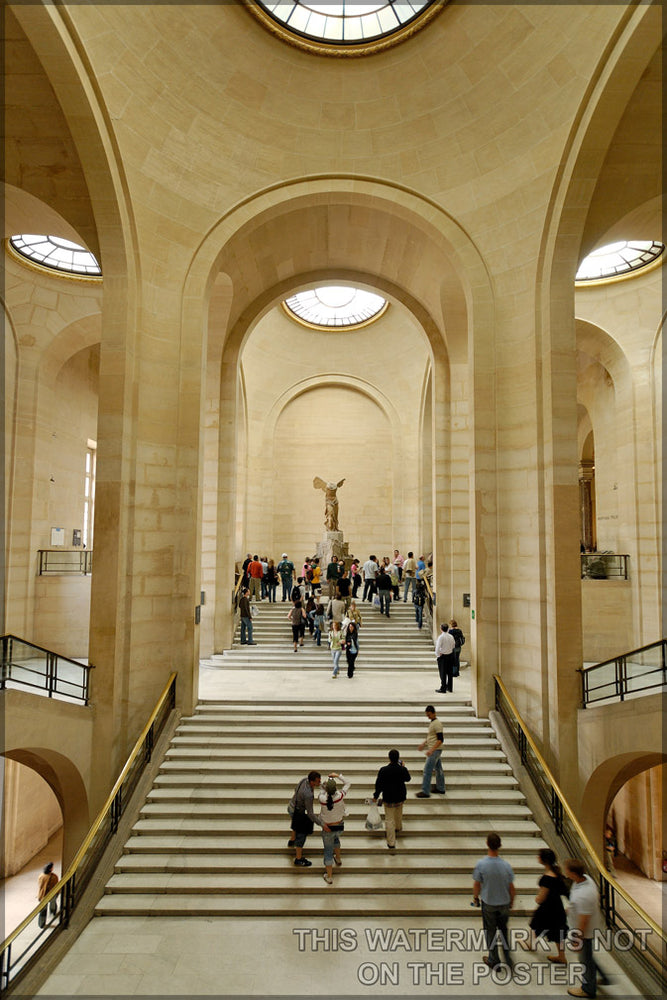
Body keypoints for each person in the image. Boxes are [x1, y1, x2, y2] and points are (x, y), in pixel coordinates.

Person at [564, 858, 608, 998]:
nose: (565, 871)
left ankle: (588, 989)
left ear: (572, 873)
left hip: (585, 932)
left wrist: (577, 939)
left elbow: (584, 920)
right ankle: (601, 978)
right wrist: (571, 910)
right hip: (587, 927)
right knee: (588, 957)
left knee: (585, 959)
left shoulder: (583, 895)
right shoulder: (586, 879)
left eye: (567, 870)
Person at [472, 832, 515, 972]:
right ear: (500, 845)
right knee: (503, 931)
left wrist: (475, 898)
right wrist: (511, 901)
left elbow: (477, 884)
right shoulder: (506, 865)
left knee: (490, 931)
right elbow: (511, 887)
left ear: (487, 844)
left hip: (489, 903)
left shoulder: (481, 864)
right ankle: (508, 959)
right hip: (504, 903)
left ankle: (494, 960)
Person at [520, 848, 569, 963]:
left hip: (547, 909)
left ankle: (530, 944)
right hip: (557, 907)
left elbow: (541, 898)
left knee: (536, 923)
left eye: (539, 856)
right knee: (557, 931)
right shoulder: (558, 874)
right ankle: (561, 955)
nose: (537, 857)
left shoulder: (547, 878)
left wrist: (537, 899)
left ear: (543, 860)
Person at [287, 771, 329, 866]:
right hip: (298, 812)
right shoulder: (308, 795)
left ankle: (292, 839)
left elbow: (295, 789)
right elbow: (310, 813)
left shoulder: (304, 780)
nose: (320, 782)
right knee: (301, 835)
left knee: (295, 824)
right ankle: (298, 858)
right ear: (312, 782)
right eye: (318, 781)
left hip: (291, 806)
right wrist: (321, 824)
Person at [372, 749, 411, 849]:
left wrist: (375, 796)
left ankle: (391, 842)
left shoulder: (383, 770)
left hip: (388, 797)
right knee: (398, 813)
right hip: (400, 796)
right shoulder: (402, 769)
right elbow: (408, 778)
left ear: (389, 758)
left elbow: (379, 785)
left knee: (389, 819)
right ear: (398, 758)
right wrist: (403, 767)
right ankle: (398, 827)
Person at [318, 772, 350, 883]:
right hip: (339, 825)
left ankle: (330, 876)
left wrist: (324, 784)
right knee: (336, 839)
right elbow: (348, 783)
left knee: (328, 850)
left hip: (328, 828)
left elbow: (321, 790)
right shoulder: (340, 796)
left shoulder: (322, 799)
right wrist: (338, 776)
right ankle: (338, 858)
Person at [416, 705, 445, 797]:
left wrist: (432, 750)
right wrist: (423, 744)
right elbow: (431, 737)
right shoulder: (433, 723)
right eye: (427, 715)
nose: (428, 717)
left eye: (429, 715)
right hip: (435, 749)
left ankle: (425, 791)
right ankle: (441, 788)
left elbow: (440, 739)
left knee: (427, 770)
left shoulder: (437, 724)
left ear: (434, 713)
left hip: (435, 750)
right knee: (438, 769)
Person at [435, 623, 456, 693]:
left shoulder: (441, 637)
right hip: (450, 655)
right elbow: (453, 645)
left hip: (443, 656)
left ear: (441, 629)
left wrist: (438, 655)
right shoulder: (451, 636)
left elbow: (437, 647)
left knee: (443, 673)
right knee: (450, 673)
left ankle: (443, 688)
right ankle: (450, 687)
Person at [37, 862, 59, 927]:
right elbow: (56, 886)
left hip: (43, 895)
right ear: (50, 869)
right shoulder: (54, 877)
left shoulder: (41, 876)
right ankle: (53, 912)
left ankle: (41, 924)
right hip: (51, 894)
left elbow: (40, 885)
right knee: (53, 902)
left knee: (43, 910)